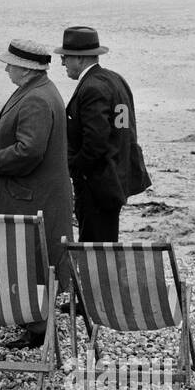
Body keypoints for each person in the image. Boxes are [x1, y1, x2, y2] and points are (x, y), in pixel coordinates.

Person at [0, 38, 73, 347]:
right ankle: (32, 319)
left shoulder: (36, 98)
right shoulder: (38, 90)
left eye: (10, 64)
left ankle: (37, 329)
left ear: (25, 69)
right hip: (35, 194)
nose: (7, 68)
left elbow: (29, 151)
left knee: (33, 258)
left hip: (32, 198)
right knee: (33, 257)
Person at [60, 25, 149, 243]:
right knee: (106, 241)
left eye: (65, 57)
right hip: (118, 174)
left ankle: (99, 278)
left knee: (94, 244)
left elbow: (95, 143)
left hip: (98, 183)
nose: (62, 62)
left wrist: (75, 169)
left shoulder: (91, 87)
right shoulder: (116, 80)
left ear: (79, 59)